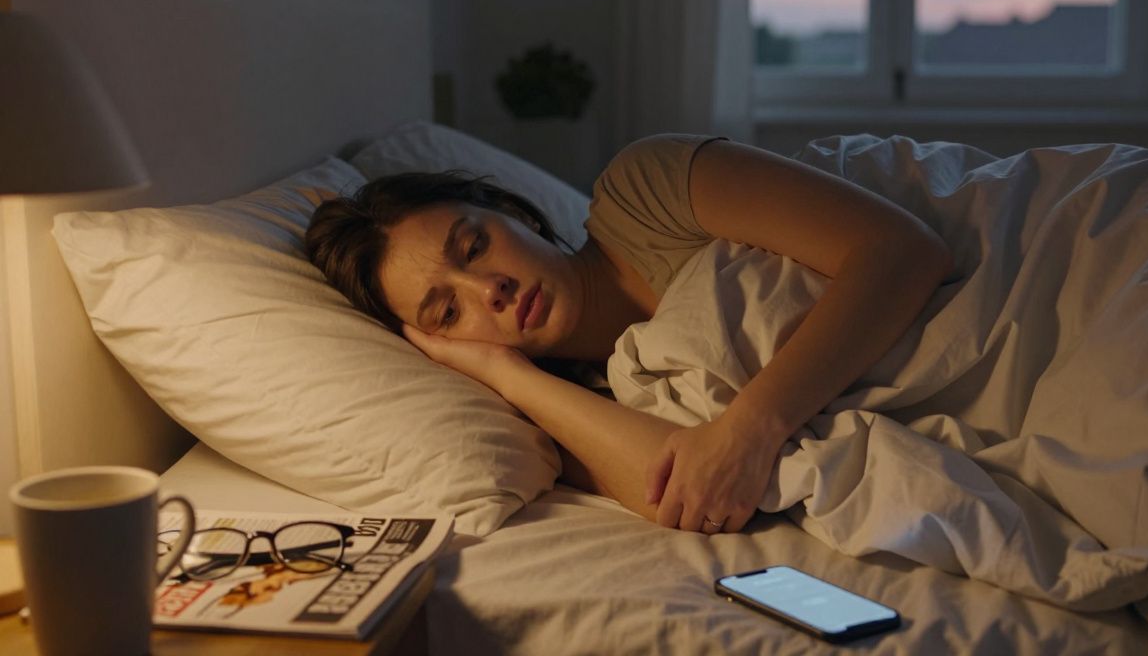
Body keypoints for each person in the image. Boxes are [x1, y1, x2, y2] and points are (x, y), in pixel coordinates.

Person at [306, 135, 952, 536]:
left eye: (474, 245)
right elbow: (692, 497)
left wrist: (751, 425)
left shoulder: (646, 191)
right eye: (447, 312)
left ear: (512, 212)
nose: (489, 291)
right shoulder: (572, 406)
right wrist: (507, 375)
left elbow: (901, 249)